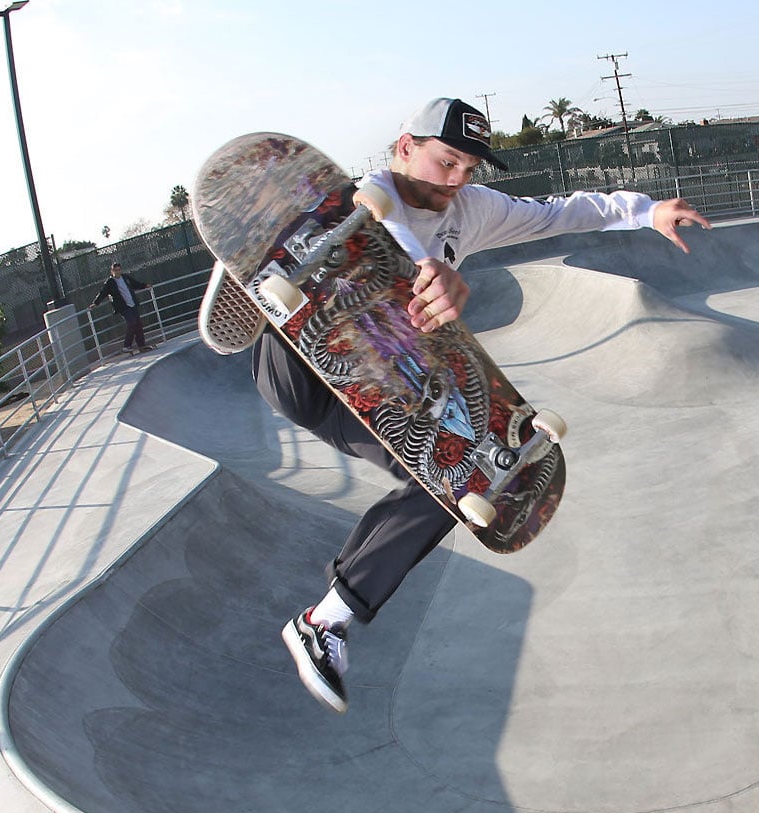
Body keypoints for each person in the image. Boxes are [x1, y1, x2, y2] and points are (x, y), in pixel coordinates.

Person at [259, 97, 710, 712]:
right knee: (336, 247)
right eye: (446, 162)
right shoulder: (366, 197)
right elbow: (384, 240)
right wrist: (423, 270)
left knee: (455, 480)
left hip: (369, 391)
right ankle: (267, 271)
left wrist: (646, 209)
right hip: (299, 364)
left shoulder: (470, 209)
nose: (455, 181)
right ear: (404, 148)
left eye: (469, 168)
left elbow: (557, 213)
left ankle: (323, 622)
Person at [91, 262, 152, 354]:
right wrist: (96, 303)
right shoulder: (110, 282)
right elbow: (102, 293)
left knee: (138, 325)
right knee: (132, 322)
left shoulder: (125, 278)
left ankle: (142, 346)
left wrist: (144, 285)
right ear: (112, 271)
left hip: (132, 304)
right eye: (115, 270)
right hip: (123, 306)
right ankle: (126, 346)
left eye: (119, 270)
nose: (118, 272)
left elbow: (135, 284)